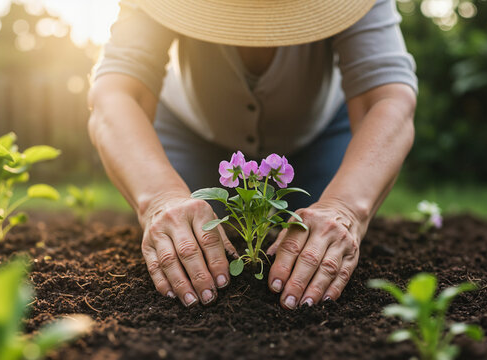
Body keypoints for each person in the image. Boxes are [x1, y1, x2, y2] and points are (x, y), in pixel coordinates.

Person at [88, 0, 417, 310]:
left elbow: (387, 99)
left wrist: (345, 207)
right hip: (191, 133)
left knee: (318, 246)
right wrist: (159, 198)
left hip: (319, 136)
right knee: (185, 239)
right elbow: (116, 93)